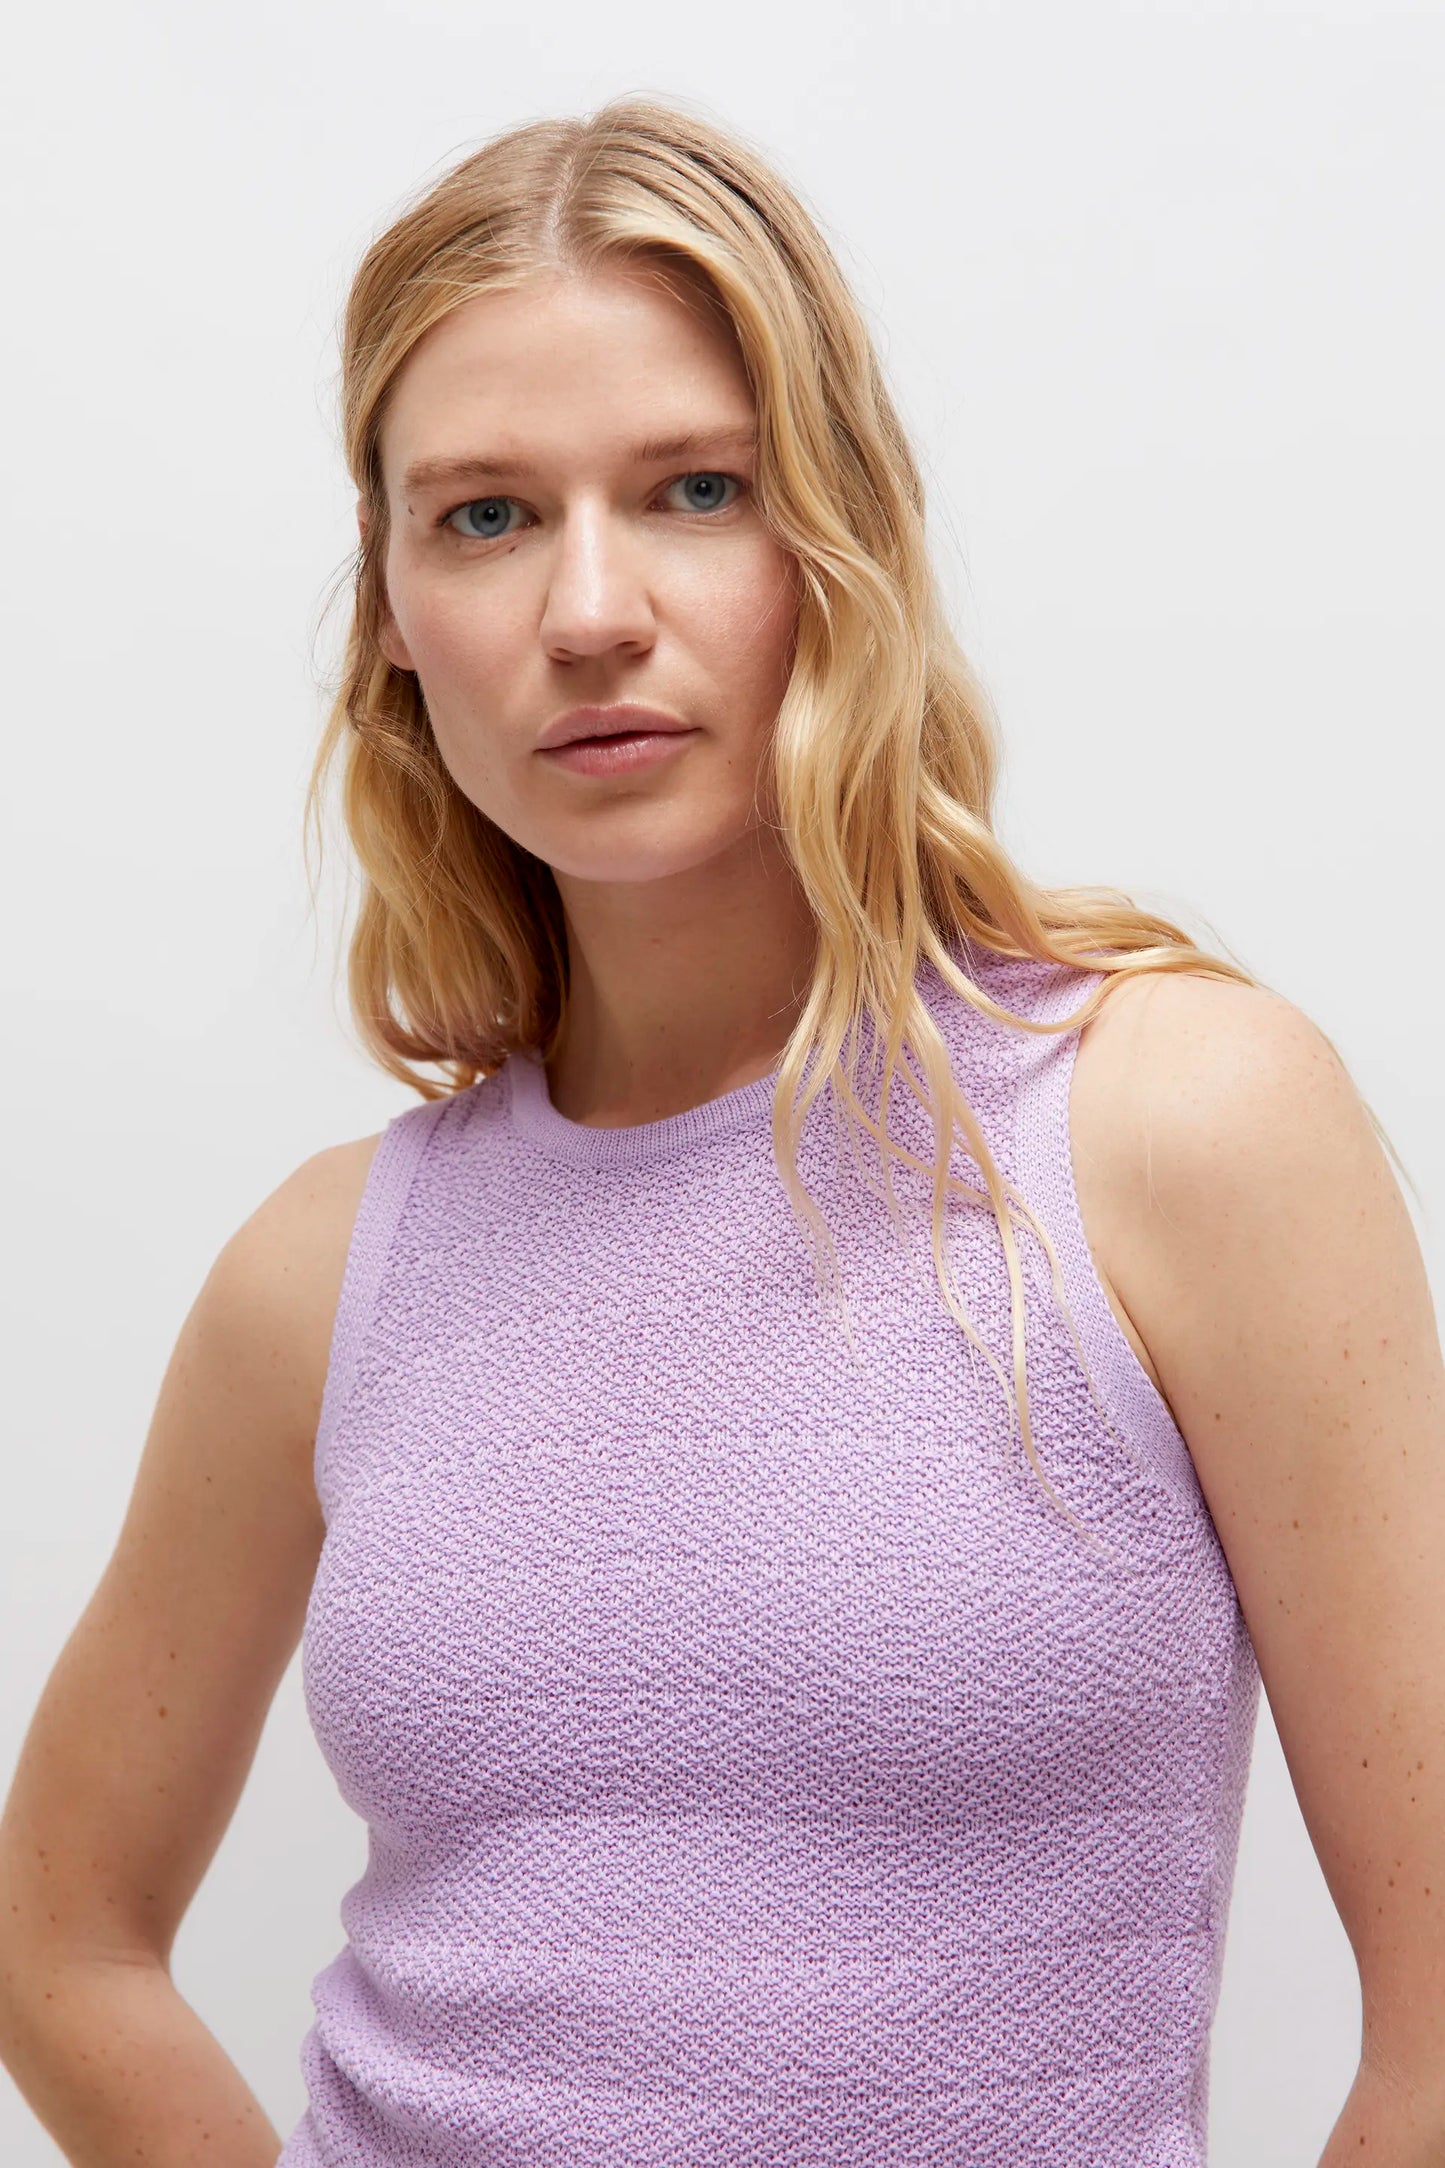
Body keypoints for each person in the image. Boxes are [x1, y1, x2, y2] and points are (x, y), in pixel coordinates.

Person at [2, 94, 1442, 2168]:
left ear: (838, 536)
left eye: (695, 488)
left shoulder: (1175, 1132)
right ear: (392, 608)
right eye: (485, 516)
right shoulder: (321, 1278)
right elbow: (61, 1936)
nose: (590, 608)